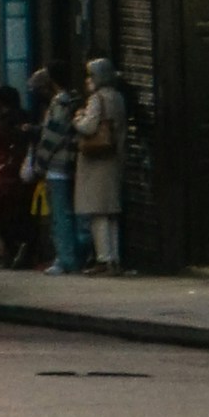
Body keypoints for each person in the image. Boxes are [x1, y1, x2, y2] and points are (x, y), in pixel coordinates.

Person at [74, 55, 131, 272]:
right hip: (114, 158)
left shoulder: (97, 99)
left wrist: (77, 118)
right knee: (111, 212)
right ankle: (114, 257)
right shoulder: (118, 97)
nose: (88, 80)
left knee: (97, 211)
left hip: (97, 161)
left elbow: (89, 127)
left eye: (90, 75)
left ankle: (104, 258)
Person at [36, 65, 86, 272]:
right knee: (73, 214)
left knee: (60, 216)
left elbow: (52, 136)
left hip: (57, 165)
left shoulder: (59, 103)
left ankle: (66, 260)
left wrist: (40, 162)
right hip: (71, 163)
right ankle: (76, 257)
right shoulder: (74, 100)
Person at [0, 82, 35, 268]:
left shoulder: (8, 122)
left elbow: (4, 149)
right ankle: (21, 249)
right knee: (21, 215)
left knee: (2, 215)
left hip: (7, 177)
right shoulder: (26, 117)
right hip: (22, 175)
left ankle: (15, 248)